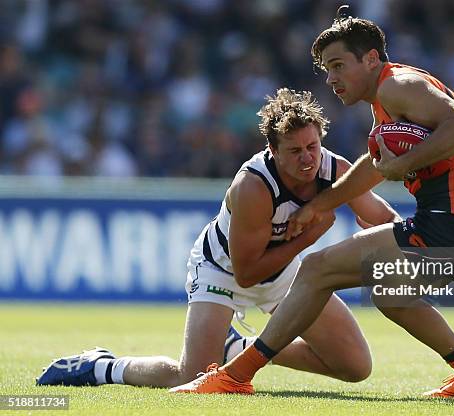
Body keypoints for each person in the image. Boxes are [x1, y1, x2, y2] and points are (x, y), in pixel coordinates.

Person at [171, 6, 454, 399]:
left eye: (337, 65)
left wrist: (405, 165)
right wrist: (322, 203)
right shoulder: (391, 92)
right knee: (390, 293)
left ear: (370, 59)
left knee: (316, 269)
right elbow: (375, 166)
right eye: (326, 69)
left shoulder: (396, 86)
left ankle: (235, 375)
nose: (331, 79)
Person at [36, 88, 401, 389]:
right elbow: (247, 274)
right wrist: (308, 239)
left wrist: (406, 252)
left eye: (312, 146)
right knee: (192, 378)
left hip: (285, 271)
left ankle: (235, 348)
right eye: (295, 151)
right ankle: (102, 367)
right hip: (222, 270)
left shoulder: (333, 169)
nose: (308, 158)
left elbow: (382, 217)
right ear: (272, 151)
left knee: (355, 367)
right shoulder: (254, 187)